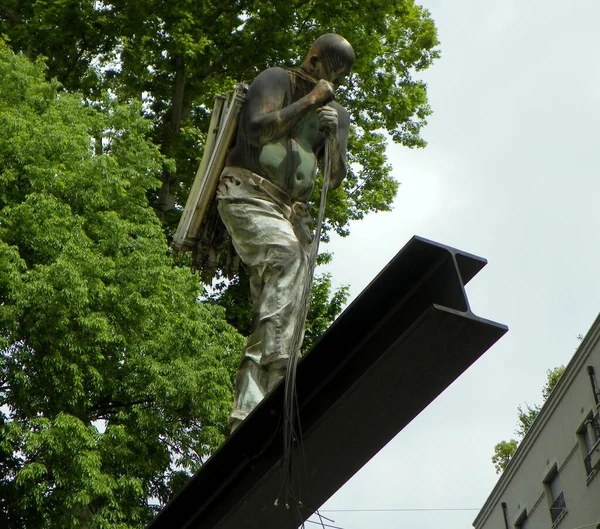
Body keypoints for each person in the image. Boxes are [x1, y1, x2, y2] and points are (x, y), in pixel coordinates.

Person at [217, 34, 355, 430]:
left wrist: (335, 141)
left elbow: (332, 180)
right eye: (328, 74)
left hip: (293, 212)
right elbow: (257, 131)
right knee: (286, 257)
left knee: (286, 299)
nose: (332, 86)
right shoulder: (277, 80)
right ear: (312, 60)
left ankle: (249, 405)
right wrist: (311, 101)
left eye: (339, 81)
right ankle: (281, 370)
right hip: (248, 195)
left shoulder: (337, 115)